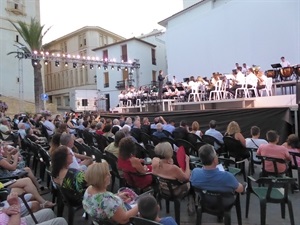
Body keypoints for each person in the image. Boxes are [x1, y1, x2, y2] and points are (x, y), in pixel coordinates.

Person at [152, 142, 193, 214]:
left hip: (162, 189)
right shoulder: (173, 168)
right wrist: (187, 162)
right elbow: (187, 178)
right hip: (175, 191)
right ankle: (191, 204)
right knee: (191, 183)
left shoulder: (155, 162)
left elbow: (155, 172)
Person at [0, 192, 67, 225]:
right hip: (14, 221)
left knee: (48, 212)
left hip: (17, 220)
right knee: (61, 221)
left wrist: (5, 211)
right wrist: (15, 206)